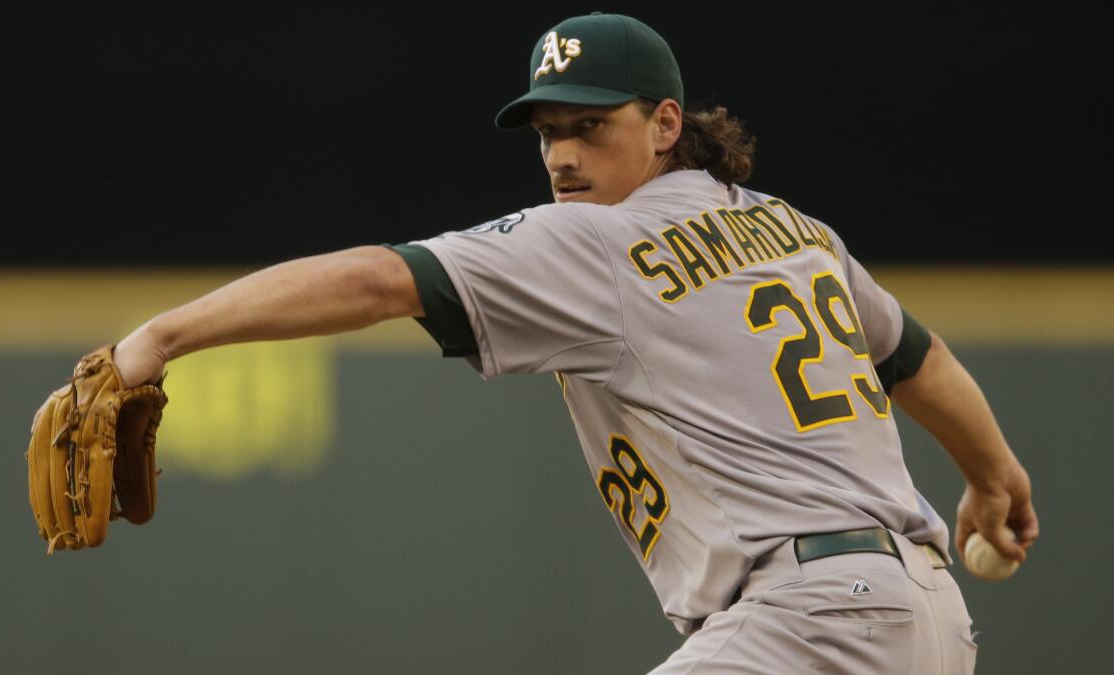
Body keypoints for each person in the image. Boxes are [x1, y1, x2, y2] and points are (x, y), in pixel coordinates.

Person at [108, 12, 1038, 674]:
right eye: (550, 131)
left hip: (805, 628)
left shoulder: (599, 240)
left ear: (666, 124)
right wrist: (993, 476)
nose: (562, 155)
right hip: (931, 620)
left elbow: (377, 280)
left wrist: (159, 335)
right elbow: (916, 359)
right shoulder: (796, 231)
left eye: (591, 126)